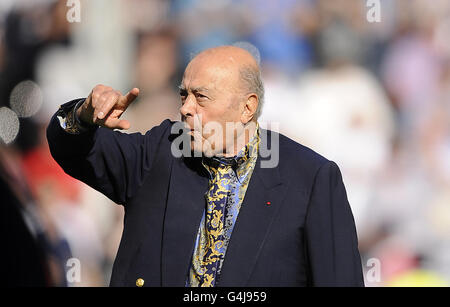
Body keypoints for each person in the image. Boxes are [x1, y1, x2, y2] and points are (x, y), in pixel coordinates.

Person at [46, 45, 364, 287]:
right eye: (184, 95)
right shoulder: (161, 152)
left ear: (247, 107)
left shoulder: (309, 179)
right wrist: (83, 115)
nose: (185, 108)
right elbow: (73, 150)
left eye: (201, 97)